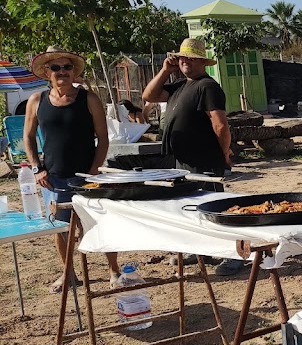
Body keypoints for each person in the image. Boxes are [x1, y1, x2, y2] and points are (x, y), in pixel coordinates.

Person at [142, 38, 244, 275]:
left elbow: (220, 125)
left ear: (202, 62)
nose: (186, 62)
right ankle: (202, 250)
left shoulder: (207, 86)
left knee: (218, 208)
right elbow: (149, 95)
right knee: (192, 206)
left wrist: (223, 153)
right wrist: (166, 70)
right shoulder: (179, 85)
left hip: (205, 159)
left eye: (192, 58)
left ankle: (235, 254)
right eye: (183, 58)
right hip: (184, 160)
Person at [24, 46, 121, 293]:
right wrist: (37, 168)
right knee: (60, 228)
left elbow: (103, 137)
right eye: (55, 67)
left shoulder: (88, 98)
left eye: (67, 67)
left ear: (73, 71)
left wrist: (94, 171)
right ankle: (69, 274)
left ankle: (114, 271)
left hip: (87, 177)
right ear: (47, 72)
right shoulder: (37, 101)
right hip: (53, 177)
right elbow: (28, 136)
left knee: (99, 224)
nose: (62, 72)